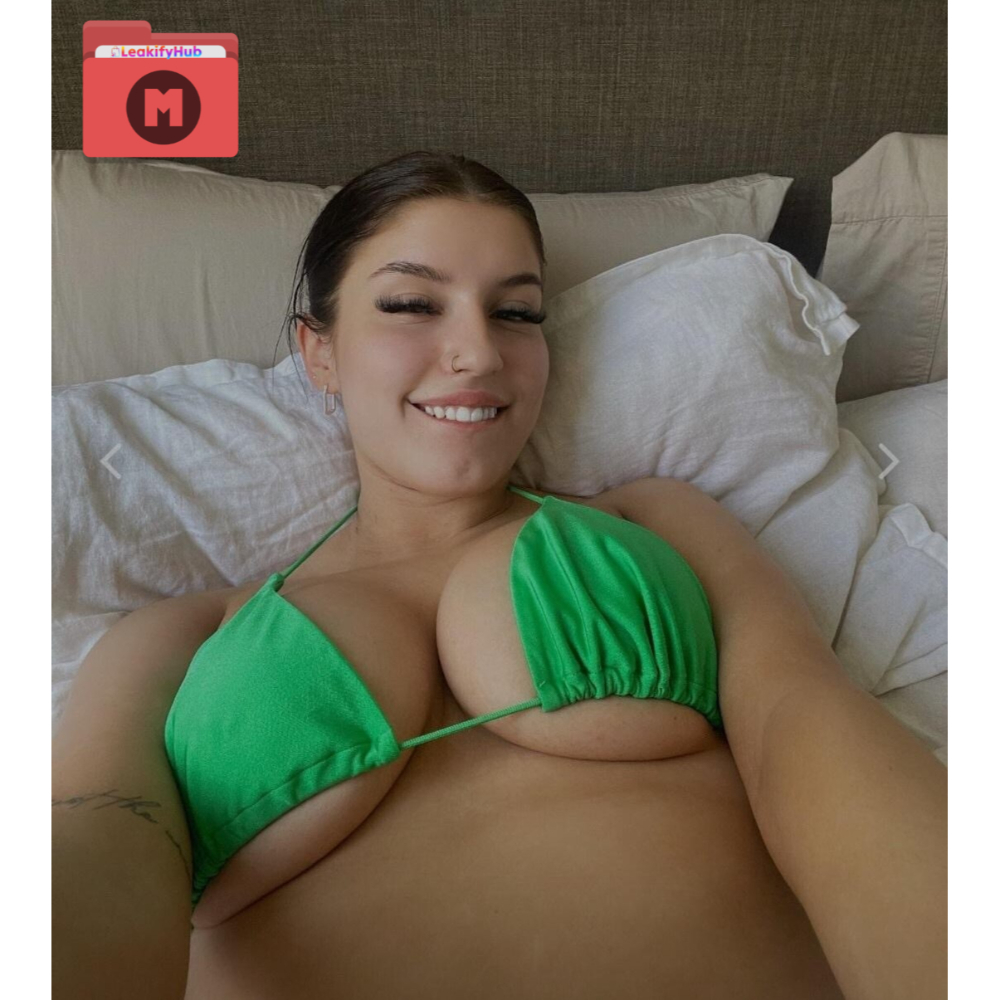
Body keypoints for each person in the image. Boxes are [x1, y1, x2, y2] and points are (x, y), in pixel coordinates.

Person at [52, 151, 946, 1000]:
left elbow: (801, 716)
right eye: (412, 304)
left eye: (516, 313)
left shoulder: (655, 517)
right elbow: (99, 835)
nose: (479, 352)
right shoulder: (176, 634)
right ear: (318, 352)